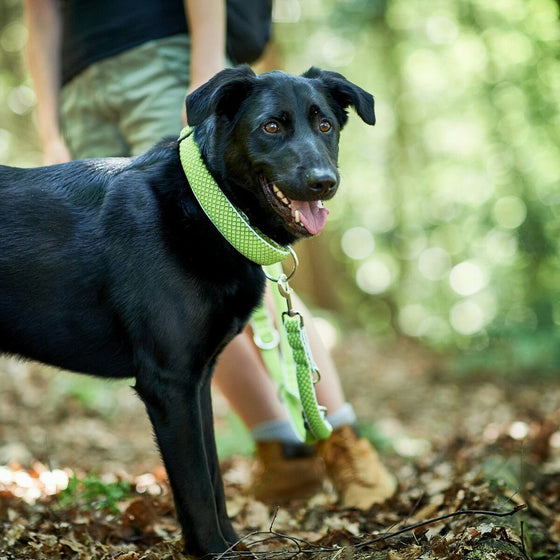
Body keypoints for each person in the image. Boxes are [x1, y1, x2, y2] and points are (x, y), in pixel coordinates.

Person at [23, 0, 396, 509]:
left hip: (160, 62)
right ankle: (281, 449)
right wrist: (50, 130)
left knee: (236, 260)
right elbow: (41, 14)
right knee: (178, 299)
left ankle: (341, 441)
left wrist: (203, 77)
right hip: (78, 91)